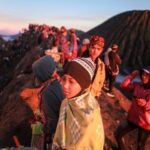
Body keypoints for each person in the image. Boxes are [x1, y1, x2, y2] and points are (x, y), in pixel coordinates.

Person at [52, 57, 105, 150]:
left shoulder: (90, 118)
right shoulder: (66, 102)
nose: (65, 86)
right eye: (64, 79)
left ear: (84, 84)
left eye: (71, 81)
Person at [31, 55, 65, 149]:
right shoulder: (59, 81)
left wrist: (44, 128)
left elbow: (53, 121)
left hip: (58, 133)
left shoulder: (48, 92)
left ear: (42, 75)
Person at [115, 67, 150, 150]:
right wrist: (131, 76)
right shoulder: (138, 85)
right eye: (143, 74)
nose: (144, 77)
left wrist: (145, 104)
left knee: (140, 146)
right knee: (118, 135)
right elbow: (123, 85)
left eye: (147, 75)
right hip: (133, 119)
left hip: (145, 123)